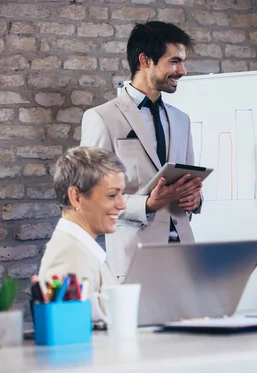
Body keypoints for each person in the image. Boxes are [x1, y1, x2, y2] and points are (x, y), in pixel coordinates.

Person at [80, 21, 203, 280]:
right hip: (134, 257)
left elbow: (189, 179)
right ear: (145, 60)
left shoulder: (182, 119)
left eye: (182, 62)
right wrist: (146, 204)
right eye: (174, 61)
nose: (183, 70)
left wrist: (195, 200)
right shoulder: (102, 117)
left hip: (184, 256)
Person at [39, 146, 125, 318]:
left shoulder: (81, 249)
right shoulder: (69, 256)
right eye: (112, 195)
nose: (122, 204)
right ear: (76, 197)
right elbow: (72, 334)